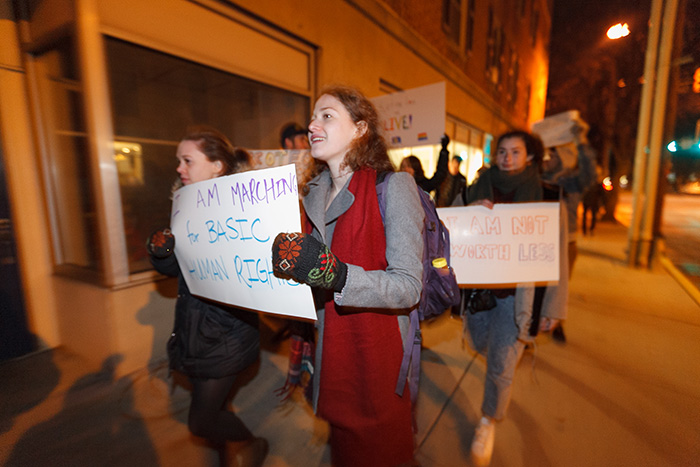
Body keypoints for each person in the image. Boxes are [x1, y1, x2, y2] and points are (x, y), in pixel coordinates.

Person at [271, 85, 424, 466]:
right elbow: (305, 278)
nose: (312, 125)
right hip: (331, 355)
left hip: (375, 358)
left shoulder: (395, 187)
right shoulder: (308, 196)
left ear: (359, 129)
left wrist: (337, 275)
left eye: (327, 116)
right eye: (312, 117)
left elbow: (407, 286)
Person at [146, 126, 268, 467]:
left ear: (216, 166)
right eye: (178, 161)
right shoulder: (184, 206)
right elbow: (174, 270)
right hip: (193, 328)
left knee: (201, 419)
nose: (179, 168)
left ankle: (251, 444)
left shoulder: (247, 209)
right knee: (214, 408)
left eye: (187, 160)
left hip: (225, 334)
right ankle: (229, 455)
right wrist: (161, 250)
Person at [453, 130, 556, 466]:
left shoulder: (544, 195)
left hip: (517, 297)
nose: (507, 157)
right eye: (502, 151)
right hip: (481, 293)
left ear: (529, 156)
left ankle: (487, 421)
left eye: (515, 151)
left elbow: (557, 259)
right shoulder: (476, 186)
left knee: (501, 359)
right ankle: (501, 365)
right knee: (480, 342)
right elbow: (449, 224)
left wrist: (552, 306)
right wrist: (470, 210)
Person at [539, 123, 596, 342]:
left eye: (551, 155)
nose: (546, 160)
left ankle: (557, 322)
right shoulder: (537, 178)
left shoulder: (572, 182)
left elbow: (589, 173)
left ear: (562, 157)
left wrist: (581, 143)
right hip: (540, 242)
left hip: (565, 244)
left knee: (557, 286)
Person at [400, 134, 450, 199]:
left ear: (416, 168)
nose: (405, 169)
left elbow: (440, 175)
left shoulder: (422, 185)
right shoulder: (397, 186)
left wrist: (444, 151)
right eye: (403, 166)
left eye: (409, 166)